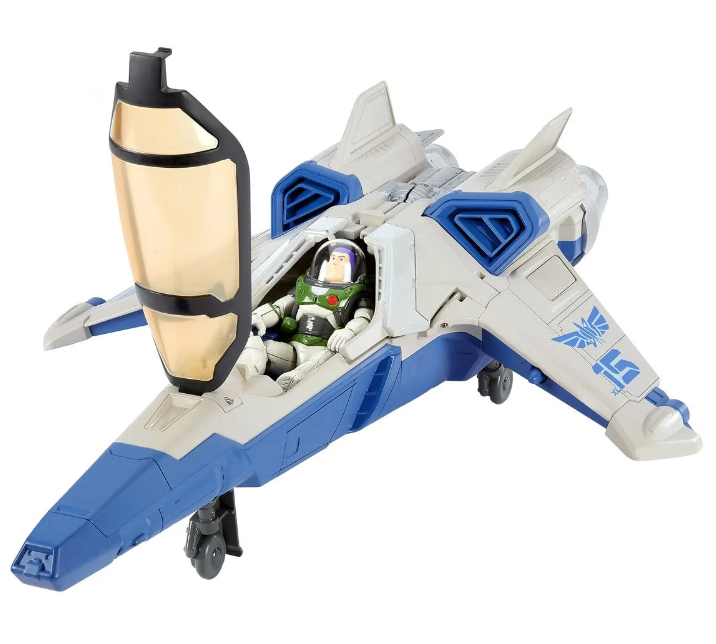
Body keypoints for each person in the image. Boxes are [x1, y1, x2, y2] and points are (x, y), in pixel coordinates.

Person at [237, 239, 374, 391]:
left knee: (325, 358)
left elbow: (364, 318)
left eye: (341, 260)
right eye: (332, 258)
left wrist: (350, 331)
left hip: (324, 352)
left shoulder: (357, 296)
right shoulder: (304, 289)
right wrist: (259, 316)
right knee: (258, 345)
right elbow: (279, 307)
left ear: (353, 268)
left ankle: (296, 380)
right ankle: (244, 373)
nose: (334, 263)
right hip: (293, 351)